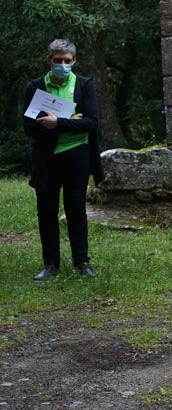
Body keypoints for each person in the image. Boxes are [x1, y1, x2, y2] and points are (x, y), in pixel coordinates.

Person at [22, 39, 104, 280]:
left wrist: (56, 123)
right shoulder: (35, 87)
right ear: (49, 60)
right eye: (58, 61)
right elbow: (29, 126)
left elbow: (91, 123)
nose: (62, 65)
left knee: (76, 208)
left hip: (77, 155)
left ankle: (82, 261)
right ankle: (50, 263)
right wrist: (72, 121)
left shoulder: (84, 85)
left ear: (74, 61)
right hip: (46, 157)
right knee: (46, 210)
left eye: (67, 61)